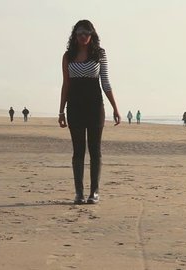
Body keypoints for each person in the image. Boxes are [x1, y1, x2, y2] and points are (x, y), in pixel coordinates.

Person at [58, 20, 121, 205]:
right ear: (74, 35)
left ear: (92, 35)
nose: (83, 36)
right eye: (79, 33)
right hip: (75, 107)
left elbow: (106, 82)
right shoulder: (68, 56)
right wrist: (61, 111)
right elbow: (66, 84)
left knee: (95, 150)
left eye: (86, 33)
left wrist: (115, 108)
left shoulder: (99, 54)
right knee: (78, 151)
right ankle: (79, 193)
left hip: (95, 107)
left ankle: (94, 192)